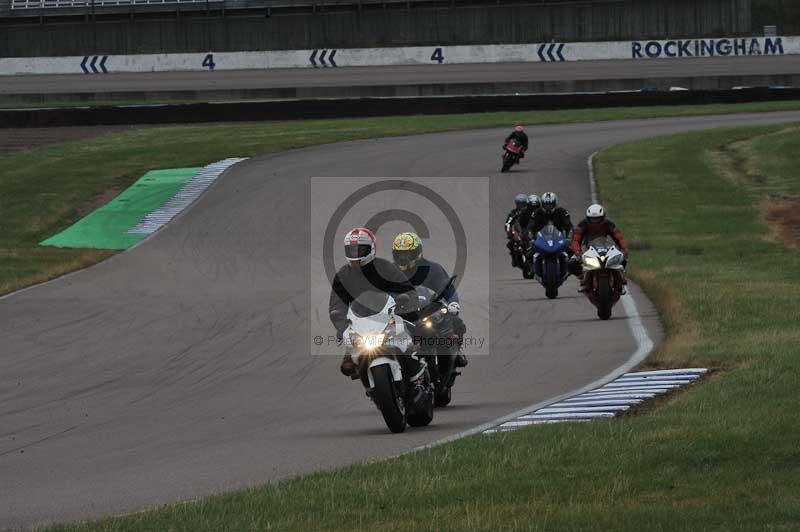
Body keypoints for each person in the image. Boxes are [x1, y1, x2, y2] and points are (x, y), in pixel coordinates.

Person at [329, 227, 423, 381]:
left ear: (371, 248)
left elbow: (407, 289)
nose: (355, 254)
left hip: (389, 318)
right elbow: (336, 305)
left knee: (413, 347)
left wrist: (406, 306)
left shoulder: (385, 267)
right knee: (348, 366)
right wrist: (342, 327)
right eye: (351, 250)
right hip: (360, 324)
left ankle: (419, 377)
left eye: (360, 250)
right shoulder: (344, 275)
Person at [391, 232, 467, 367]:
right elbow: (379, 291)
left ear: (418, 253)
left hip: (428, 309)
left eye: (408, 254)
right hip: (400, 313)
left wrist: (453, 303)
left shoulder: (433, 268)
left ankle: (456, 352)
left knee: (455, 322)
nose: (404, 258)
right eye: (400, 254)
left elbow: (447, 288)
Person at [570, 204, 629, 292]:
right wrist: (578, 252)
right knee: (571, 263)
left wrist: (624, 248)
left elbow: (618, 237)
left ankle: (621, 280)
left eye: (597, 219)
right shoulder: (582, 224)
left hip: (605, 246)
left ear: (603, 217)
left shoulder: (608, 223)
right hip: (587, 248)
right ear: (588, 218)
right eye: (592, 219)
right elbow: (575, 240)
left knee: (623, 257)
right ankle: (582, 278)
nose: (595, 222)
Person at [505, 193, 534, 267]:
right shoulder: (513, 213)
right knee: (511, 243)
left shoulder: (531, 212)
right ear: (516, 204)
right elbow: (508, 223)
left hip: (529, 231)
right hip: (518, 231)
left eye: (523, 204)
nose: (521, 206)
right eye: (519, 204)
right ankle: (514, 257)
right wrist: (509, 232)